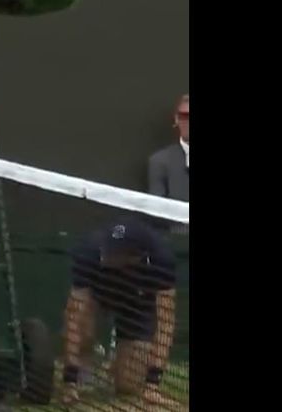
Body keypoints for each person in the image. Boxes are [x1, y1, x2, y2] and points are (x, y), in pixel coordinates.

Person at [62, 216, 179, 408]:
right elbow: (73, 316)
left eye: (115, 254)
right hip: (99, 294)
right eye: (108, 249)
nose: (106, 255)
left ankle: (117, 362)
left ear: (136, 256)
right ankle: (86, 363)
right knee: (83, 331)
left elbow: (166, 322)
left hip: (138, 304)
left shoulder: (162, 259)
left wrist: (152, 384)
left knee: (128, 385)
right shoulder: (90, 251)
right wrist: (69, 382)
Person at [148, 94, 189, 235]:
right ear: (176, 120)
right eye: (184, 116)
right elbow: (157, 211)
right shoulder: (160, 161)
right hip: (178, 241)